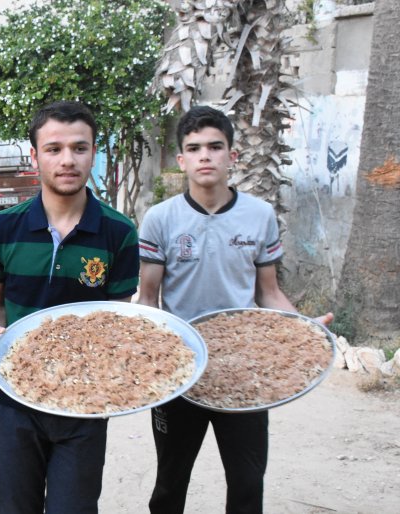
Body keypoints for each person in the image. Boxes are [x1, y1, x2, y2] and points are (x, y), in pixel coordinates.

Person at [137, 105, 333, 514]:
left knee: (247, 483)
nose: (205, 156)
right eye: (194, 148)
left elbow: (269, 293)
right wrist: (151, 361)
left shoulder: (259, 215)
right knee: (170, 482)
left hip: (246, 369)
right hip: (181, 371)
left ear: (232, 156)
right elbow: (149, 300)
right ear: (181, 160)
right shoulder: (160, 219)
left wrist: (304, 330)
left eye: (215, 146)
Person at [0, 101, 140, 513]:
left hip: (85, 405)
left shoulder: (118, 232)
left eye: (79, 148)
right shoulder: (3, 228)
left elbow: (116, 320)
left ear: (93, 152)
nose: (67, 160)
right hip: (15, 401)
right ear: (35, 156)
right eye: (54, 149)